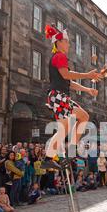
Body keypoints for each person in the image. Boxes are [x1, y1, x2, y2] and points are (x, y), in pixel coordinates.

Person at [43, 24, 101, 169]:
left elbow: (68, 82)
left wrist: (87, 89)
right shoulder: (60, 56)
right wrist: (87, 75)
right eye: (67, 41)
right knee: (74, 123)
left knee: (79, 120)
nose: (69, 44)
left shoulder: (59, 57)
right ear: (59, 42)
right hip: (58, 96)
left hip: (59, 96)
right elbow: (66, 75)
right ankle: (58, 155)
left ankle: (61, 154)